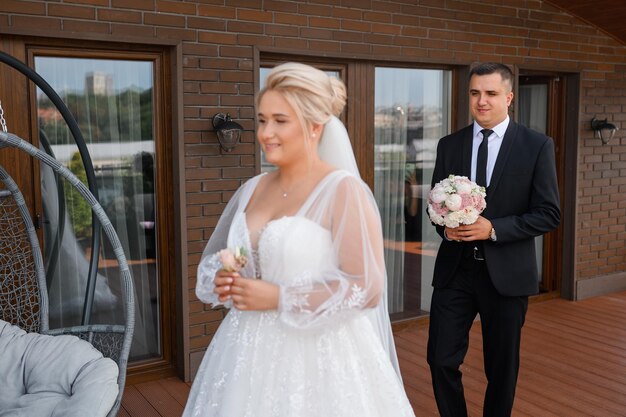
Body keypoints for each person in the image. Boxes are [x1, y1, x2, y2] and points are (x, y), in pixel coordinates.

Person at [183, 62, 415, 417]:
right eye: (262, 120)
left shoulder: (343, 190)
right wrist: (225, 277)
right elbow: (237, 253)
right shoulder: (252, 189)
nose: (265, 132)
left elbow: (366, 286)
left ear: (314, 127)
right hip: (245, 351)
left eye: (280, 120)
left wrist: (279, 296)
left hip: (322, 356)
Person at [426, 62, 560, 417]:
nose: (481, 101)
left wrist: (494, 228)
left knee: (500, 370)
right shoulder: (449, 145)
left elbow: (549, 213)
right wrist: (445, 227)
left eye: (490, 93)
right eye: (474, 93)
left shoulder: (536, 146)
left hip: (506, 275)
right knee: (440, 359)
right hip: (454, 271)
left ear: (509, 97)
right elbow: (433, 206)